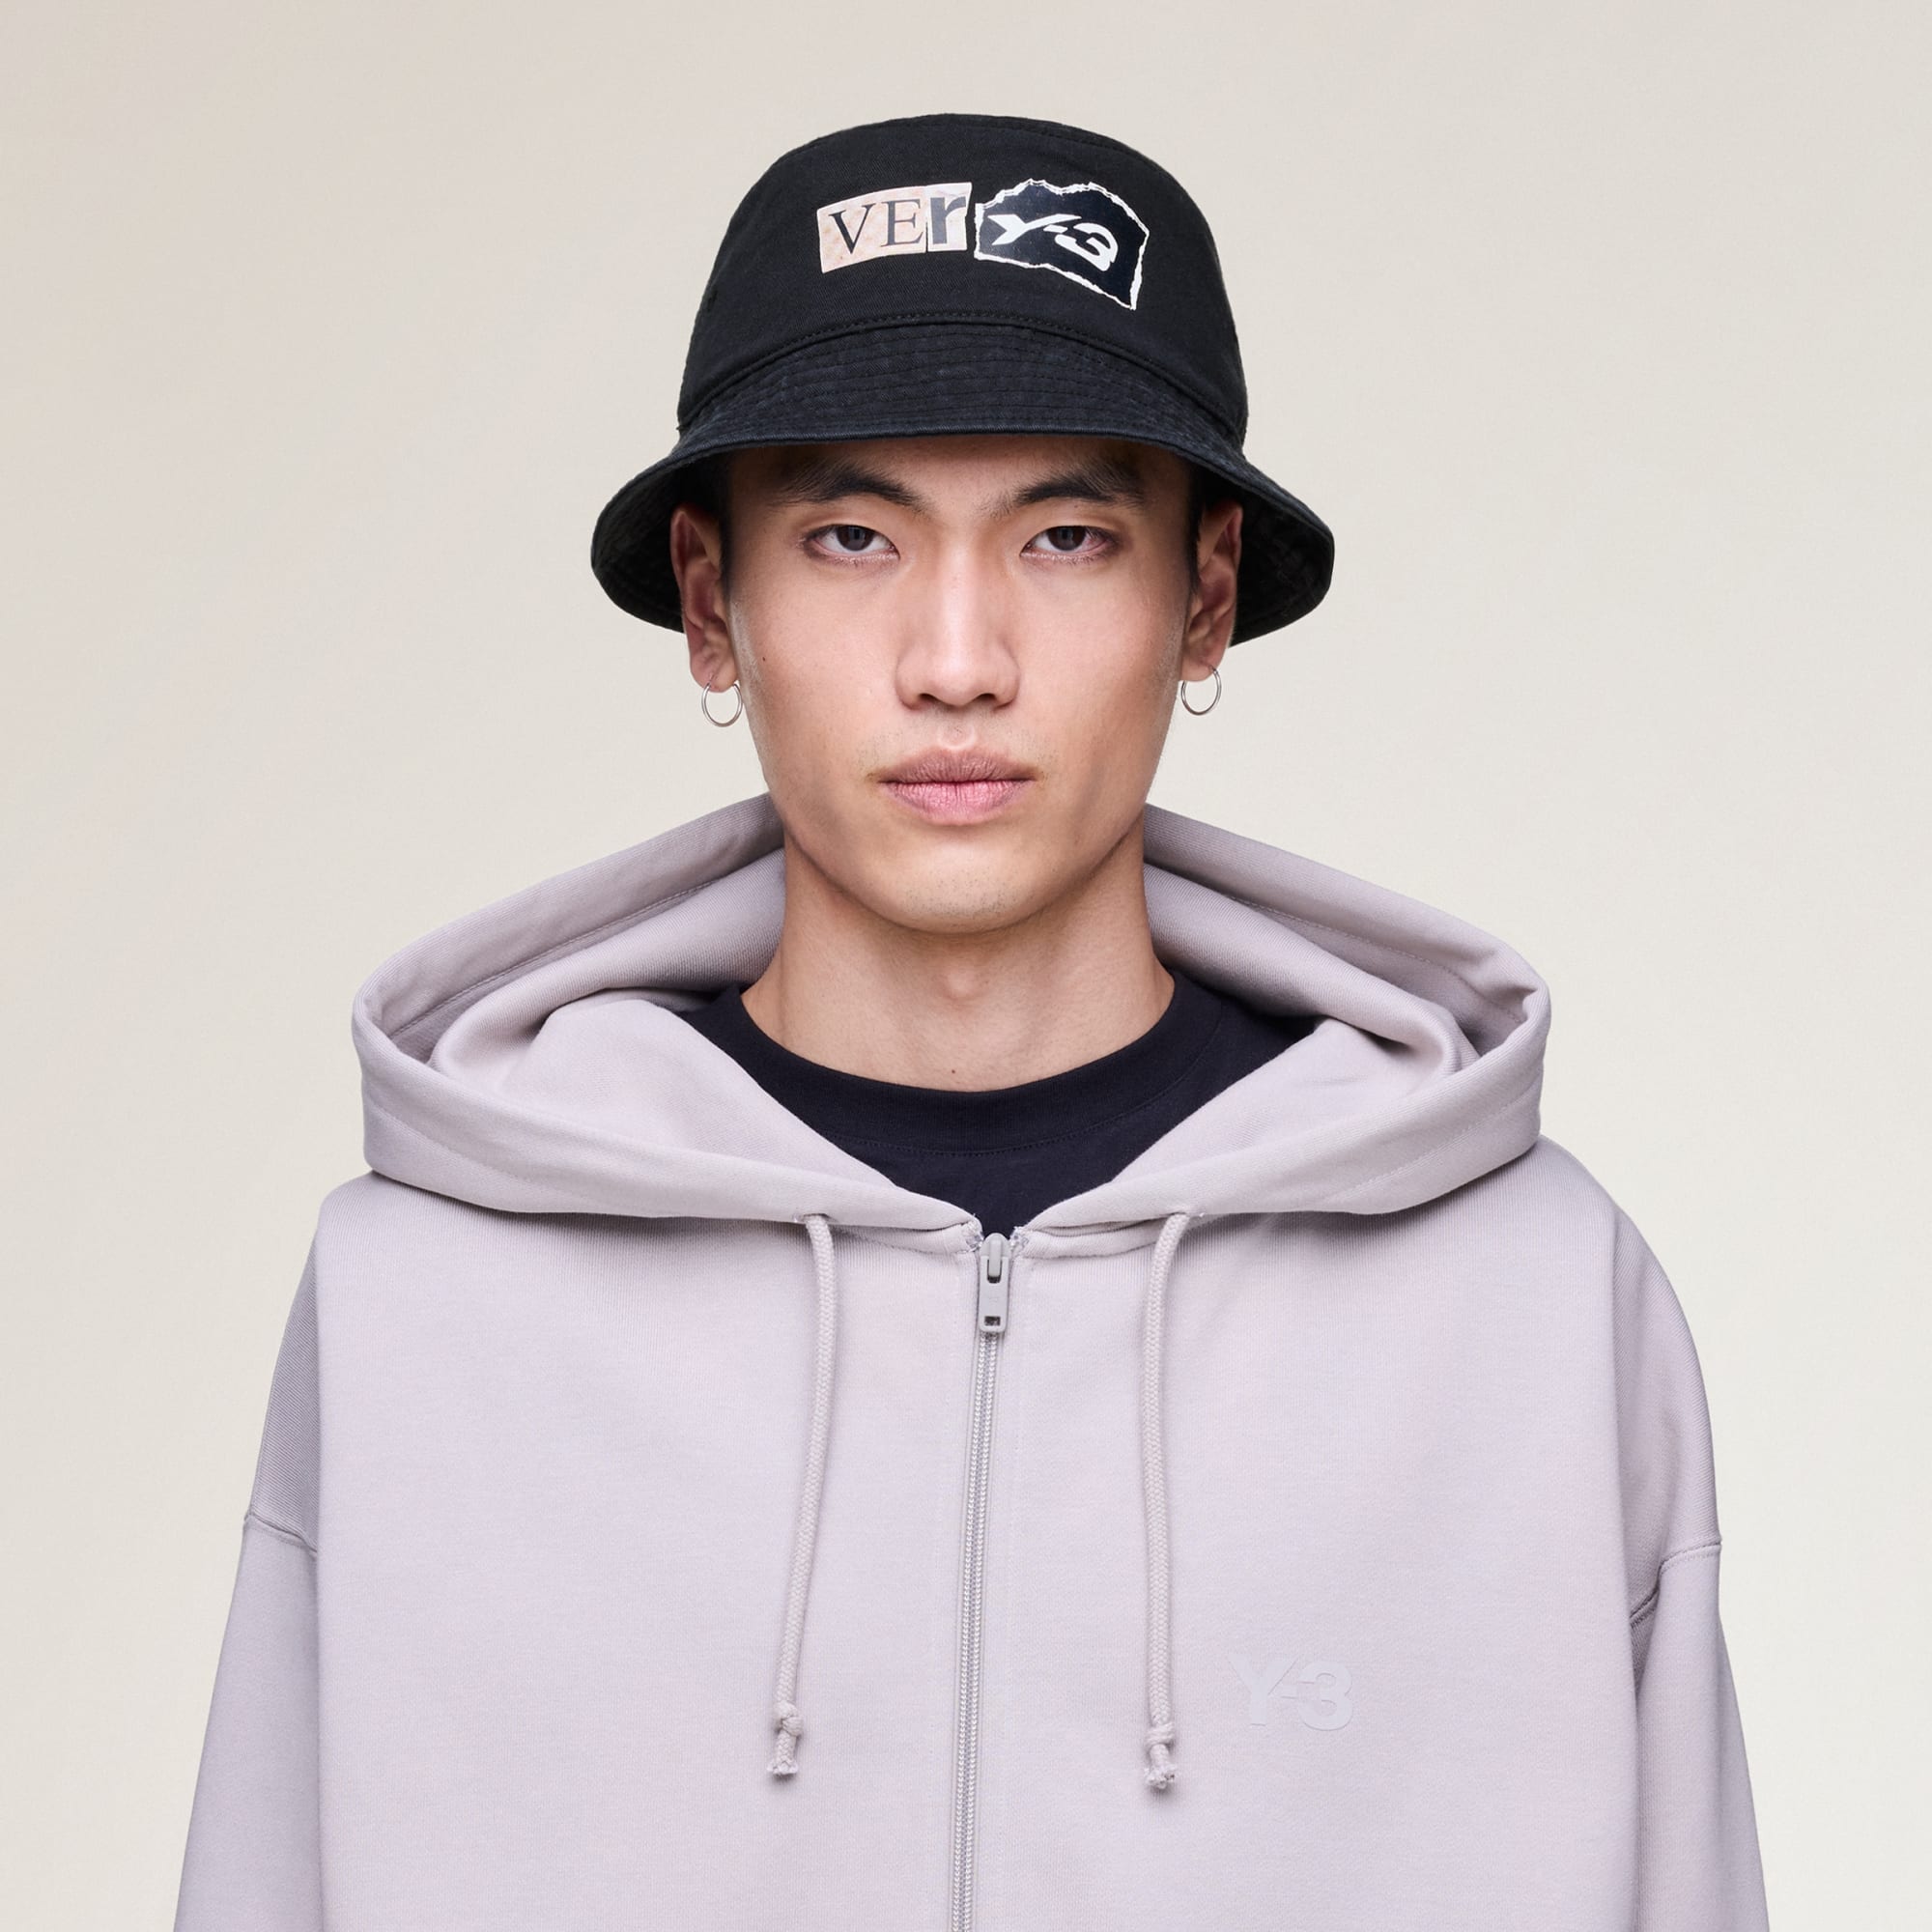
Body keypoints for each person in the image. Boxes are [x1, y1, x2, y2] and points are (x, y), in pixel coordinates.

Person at [172, 112, 1772, 1930]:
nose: (956, 660)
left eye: (1068, 537)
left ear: (1204, 598)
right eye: (851, 536)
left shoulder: (1536, 1299)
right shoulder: (420, 1303)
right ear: (711, 600)